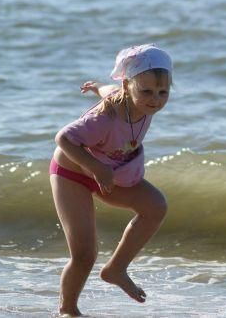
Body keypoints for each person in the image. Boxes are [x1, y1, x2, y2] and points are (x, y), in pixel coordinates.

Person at [50, 44, 172, 316]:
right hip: (72, 174)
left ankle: (116, 269)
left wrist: (96, 87)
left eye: (163, 92)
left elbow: (108, 89)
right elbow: (64, 138)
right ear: (128, 86)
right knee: (84, 254)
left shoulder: (137, 102)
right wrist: (95, 167)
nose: (155, 100)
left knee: (156, 206)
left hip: (109, 171)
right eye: (147, 92)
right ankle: (68, 310)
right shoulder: (105, 117)